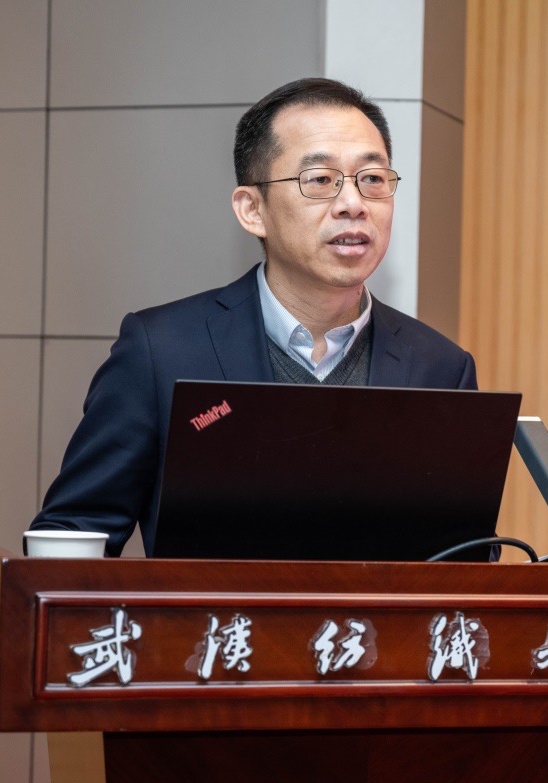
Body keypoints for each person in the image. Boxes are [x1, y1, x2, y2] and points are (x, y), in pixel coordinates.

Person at [30, 78, 478, 556]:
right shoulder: (161, 351)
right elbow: (74, 533)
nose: (353, 204)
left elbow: (467, 557)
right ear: (252, 210)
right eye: (320, 180)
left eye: (372, 179)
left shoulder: (441, 370)